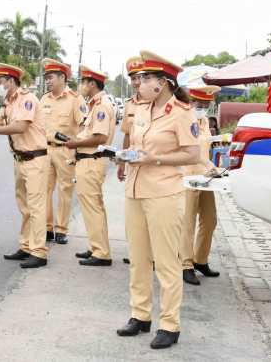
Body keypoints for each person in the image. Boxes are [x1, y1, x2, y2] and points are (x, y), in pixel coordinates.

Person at [115, 50, 200, 350]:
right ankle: (140, 316)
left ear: (163, 82)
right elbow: (136, 144)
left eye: (147, 78)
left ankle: (169, 324)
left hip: (164, 192)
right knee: (138, 258)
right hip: (135, 191)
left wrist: (157, 158)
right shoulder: (140, 109)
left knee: (166, 262)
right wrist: (124, 157)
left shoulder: (181, 112)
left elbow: (192, 155)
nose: (140, 82)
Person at [0, 63, 50, 269]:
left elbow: (20, 127)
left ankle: (39, 253)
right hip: (20, 161)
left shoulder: (27, 100)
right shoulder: (7, 104)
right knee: (25, 207)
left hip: (35, 160)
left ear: (11, 81)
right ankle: (27, 246)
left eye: (0, 82)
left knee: (36, 207)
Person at [62, 64, 114, 266]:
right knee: (93, 207)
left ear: (92, 84)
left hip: (92, 161)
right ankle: (96, 246)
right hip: (88, 161)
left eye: (83, 81)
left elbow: (99, 137)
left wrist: (76, 142)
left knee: (92, 207)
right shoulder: (96, 104)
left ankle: (101, 252)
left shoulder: (100, 104)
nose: (81, 85)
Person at [40, 58, 87, 245]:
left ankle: (61, 229)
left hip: (66, 151)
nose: (48, 81)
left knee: (65, 190)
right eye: (46, 78)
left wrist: (78, 150)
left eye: (51, 77)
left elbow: (84, 127)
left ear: (62, 77)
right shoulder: (44, 98)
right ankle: (47, 228)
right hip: (45, 150)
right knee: (44, 190)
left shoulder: (76, 99)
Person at [180, 85, 223, 286]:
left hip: (205, 175)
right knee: (187, 222)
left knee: (210, 218)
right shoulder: (183, 117)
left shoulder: (204, 121)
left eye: (207, 106)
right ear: (191, 102)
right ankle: (186, 265)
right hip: (187, 174)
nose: (203, 109)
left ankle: (200, 260)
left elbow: (205, 145)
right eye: (199, 105)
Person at [118, 56, 145, 265]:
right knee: (134, 212)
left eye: (140, 77)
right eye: (133, 78)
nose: (136, 82)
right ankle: (137, 251)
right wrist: (122, 162)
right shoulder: (129, 104)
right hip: (134, 164)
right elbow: (127, 135)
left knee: (152, 212)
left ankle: (153, 254)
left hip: (153, 163)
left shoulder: (155, 102)